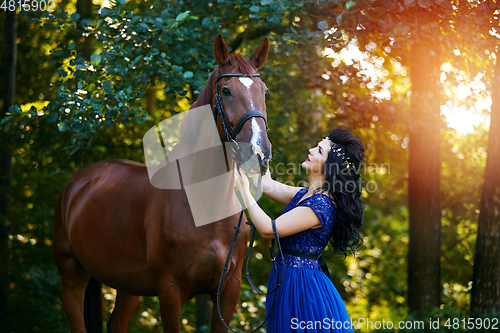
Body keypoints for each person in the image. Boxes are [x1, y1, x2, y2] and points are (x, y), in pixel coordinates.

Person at [233, 127, 365, 332]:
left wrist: (243, 191)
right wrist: (256, 151)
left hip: (303, 289)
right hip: (289, 281)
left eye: (319, 151)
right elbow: (264, 184)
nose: (311, 150)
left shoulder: (321, 205)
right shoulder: (305, 195)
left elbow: (269, 229)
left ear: (329, 167)